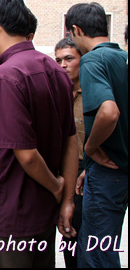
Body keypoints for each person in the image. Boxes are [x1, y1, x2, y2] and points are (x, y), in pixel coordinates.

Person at [0, 0, 79, 268]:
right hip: (42, 215)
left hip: (11, 217)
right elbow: (71, 141)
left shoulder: (7, 74)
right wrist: (65, 199)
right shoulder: (55, 70)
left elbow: (27, 155)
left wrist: (57, 187)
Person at [65, 2, 128, 268]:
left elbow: (109, 112)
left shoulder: (93, 59)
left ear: (76, 30)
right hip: (118, 169)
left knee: (96, 256)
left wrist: (91, 148)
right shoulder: (121, 58)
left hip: (108, 174)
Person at [54, 37, 85, 268]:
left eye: (68, 59)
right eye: (58, 60)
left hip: (86, 172)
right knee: (67, 236)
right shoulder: (58, 94)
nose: (63, 65)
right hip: (61, 172)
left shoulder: (93, 92)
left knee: (83, 235)